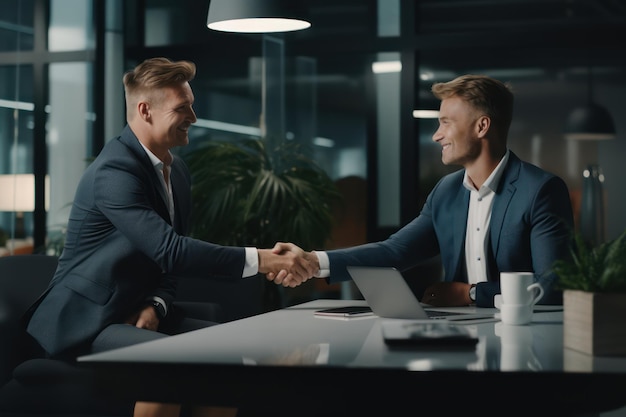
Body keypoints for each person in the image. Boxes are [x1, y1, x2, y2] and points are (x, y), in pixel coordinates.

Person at [24, 57, 313, 417]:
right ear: (145, 110)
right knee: (168, 366)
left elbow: (166, 264)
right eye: (183, 107)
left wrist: (156, 304)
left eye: (191, 104)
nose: (193, 116)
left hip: (134, 309)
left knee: (226, 352)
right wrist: (262, 259)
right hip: (86, 321)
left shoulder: (177, 173)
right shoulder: (115, 170)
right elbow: (172, 250)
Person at [273, 74, 574, 307]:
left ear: (482, 127)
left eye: (445, 123)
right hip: (456, 336)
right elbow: (395, 251)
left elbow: (551, 286)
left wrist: (470, 294)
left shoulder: (541, 190)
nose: (436, 135)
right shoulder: (447, 191)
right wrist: (314, 262)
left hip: (521, 340)